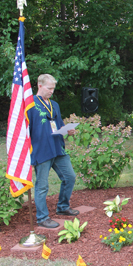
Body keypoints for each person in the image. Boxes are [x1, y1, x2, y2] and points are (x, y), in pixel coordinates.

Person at [29, 74, 79, 228]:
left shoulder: (54, 105)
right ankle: (42, 218)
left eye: (53, 88)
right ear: (40, 86)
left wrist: (67, 131)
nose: (52, 91)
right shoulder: (29, 104)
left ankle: (63, 207)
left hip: (57, 148)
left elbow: (58, 125)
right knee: (42, 185)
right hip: (41, 150)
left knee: (70, 176)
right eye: (49, 88)